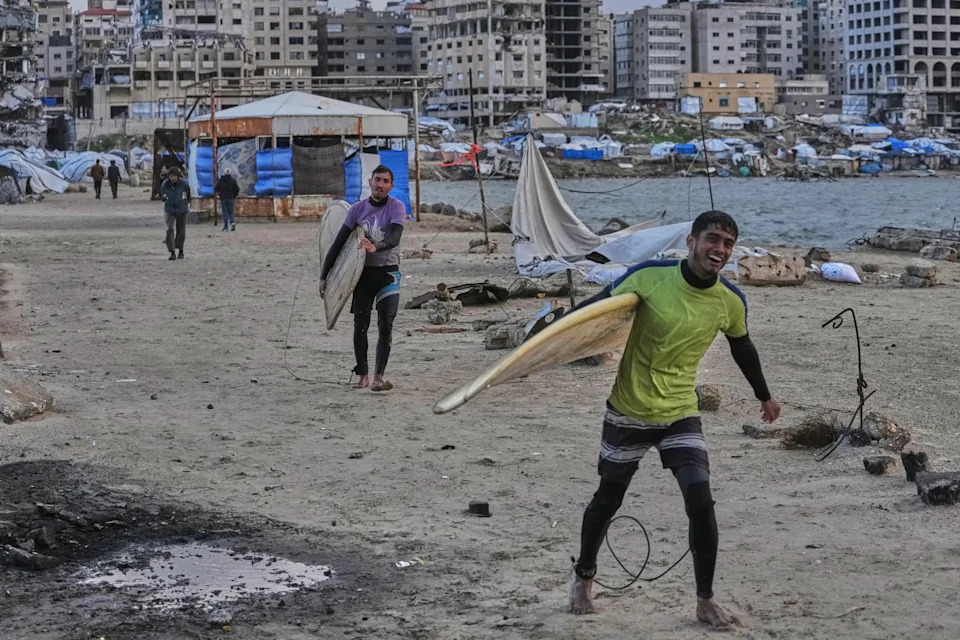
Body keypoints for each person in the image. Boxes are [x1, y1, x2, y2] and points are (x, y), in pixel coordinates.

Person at [568, 210, 781, 629]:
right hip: (629, 408)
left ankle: (705, 601)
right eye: (713, 239)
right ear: (691, 241)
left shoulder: (730, 300)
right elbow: (592, 315)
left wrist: (765, 396)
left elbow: (742, 347)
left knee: (700, 501)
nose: (720, 249)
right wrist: (541, 348)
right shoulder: (649, 275)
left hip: (680, 412)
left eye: (728, 244)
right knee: (608, 499)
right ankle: (584, 578)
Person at [319, 166, 406, 392]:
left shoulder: (396, 207)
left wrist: (376, 246)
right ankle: (363, 375)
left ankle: (378, 377)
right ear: (370, 182)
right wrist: (324, 276)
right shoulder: (357, 209)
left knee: (386, 322)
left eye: (385, 181)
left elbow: (395, 237)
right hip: (362, 274)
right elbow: (338, 244)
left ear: (391, 186)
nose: (380, 185)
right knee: (361, 325)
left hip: (388, 273)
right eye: (377, 180)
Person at [160, 167, 190, 260]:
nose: (172, 178)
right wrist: (166, 200)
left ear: (178, 176)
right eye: (171, 176)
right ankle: (172, 252)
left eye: (174, 176)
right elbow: (163, 196)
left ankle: (181, 250)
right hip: (170, 209)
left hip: (182, 209)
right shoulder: (165, 184)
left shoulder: (184, 183)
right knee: (170, 230)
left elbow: (188, 194)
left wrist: (185, 203)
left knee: (181, 230)